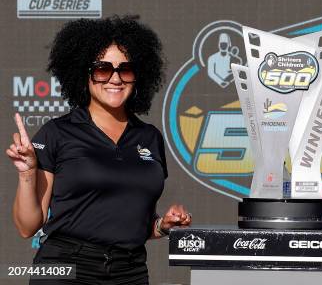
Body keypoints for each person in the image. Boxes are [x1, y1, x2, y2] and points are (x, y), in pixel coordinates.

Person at [6, 16, 192, 284]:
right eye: (102, 69)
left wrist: (162, 226)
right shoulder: (58, 133)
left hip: (130, 271)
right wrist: (27, 173)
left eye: (125, 70)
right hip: (65, 269)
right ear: (84, 73)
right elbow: (27, 227)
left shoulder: (149, 138)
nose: (115, 79)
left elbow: (131, 221)